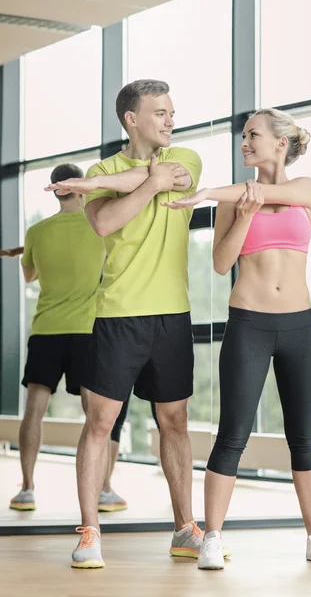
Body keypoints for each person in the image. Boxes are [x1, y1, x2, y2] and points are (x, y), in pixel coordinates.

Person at [47, 79, 230, 569]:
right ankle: (89, 532)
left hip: (172, 314)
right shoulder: (102, 169)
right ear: (132, 119)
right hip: (117, 314)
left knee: (175, 422)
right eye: (161, 112)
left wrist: (102, 188)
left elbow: (158, 180)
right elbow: (106, 223)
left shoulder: (185, 159)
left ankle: (184, 528)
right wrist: (124, 183)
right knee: (99, 423)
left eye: (172, 111)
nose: (172, 119)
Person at [163, 108, 311, 569]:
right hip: (249, 324)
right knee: (232, 436)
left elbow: (270, 192)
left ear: (280, 142)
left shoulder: (306, 189)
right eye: (243, 136)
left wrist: (206, 191)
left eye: (253, 135)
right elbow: (222, 263)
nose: (244, 143)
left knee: (303, 438)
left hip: (299, 326)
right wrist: (240, 214)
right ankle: (212, 537)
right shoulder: (234, 201)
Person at [6, 164, 106, 513]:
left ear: (54, 189)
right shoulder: (99, 228)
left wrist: (26, 252)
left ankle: (27, 489)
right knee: (95, 413)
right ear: (79, 188)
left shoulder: (37, 231)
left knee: (35, 408)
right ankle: (104, 488)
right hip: (85, 331)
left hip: (47, 330)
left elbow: (30, 275)